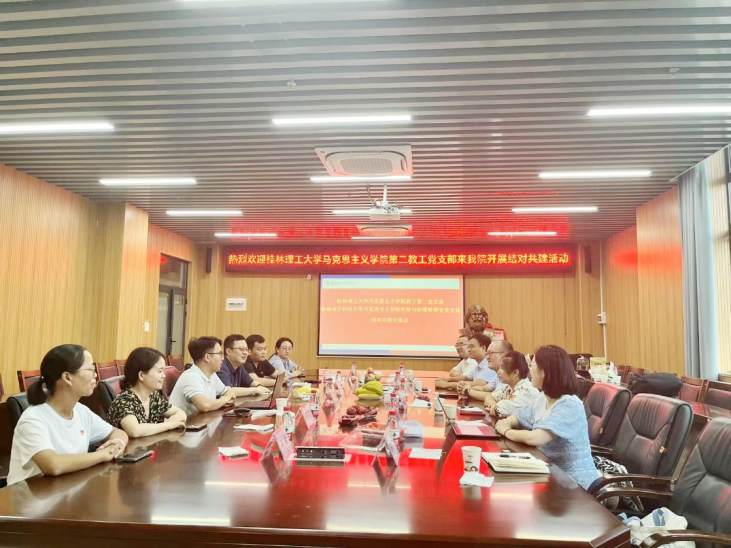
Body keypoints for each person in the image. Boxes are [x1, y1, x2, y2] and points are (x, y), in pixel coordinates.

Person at [7, 345, 129, 486]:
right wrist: (102, 455)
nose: (95, 375)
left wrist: (118, 443)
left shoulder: (81, 411)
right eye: (90, 369)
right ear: (67, 377)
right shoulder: (33, 419)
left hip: (66, 489)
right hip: (32, 495)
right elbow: (53, 465)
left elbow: (117, 432)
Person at [494, 345, 598, 489]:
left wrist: (506, 430)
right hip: (551, 475)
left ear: (544, 372)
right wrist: (507, 422)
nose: (529, 370)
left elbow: (536, 438)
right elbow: (519, 417)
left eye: (532, 365)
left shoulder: (570, 405)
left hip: (575, 485)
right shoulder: (544, 398)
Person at [105, 347, 187, 437]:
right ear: (141, 375)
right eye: (160, 371)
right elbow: (134, 431)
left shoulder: (153, 396)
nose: (164, 375)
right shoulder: (124, 400)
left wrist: (175, 421)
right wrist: (169, 424)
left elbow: (180, 413)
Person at [169, 337, 237, 417]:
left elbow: (227, 391)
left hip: (202, 421)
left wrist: (227, 397)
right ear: (207, 357)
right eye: (220, 354)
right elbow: (204, 405)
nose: (223, 358)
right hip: (185, 424)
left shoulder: (212, 375)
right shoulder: (191, 377)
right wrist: (224, 399)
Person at [468, 351, 539, 417]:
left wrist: (494, 407)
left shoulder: (525, 390)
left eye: (502, 368)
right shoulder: (509, 388)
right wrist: (492, 404)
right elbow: (489, 396)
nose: (499, 371)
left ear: (515, 373)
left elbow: (499, 410)